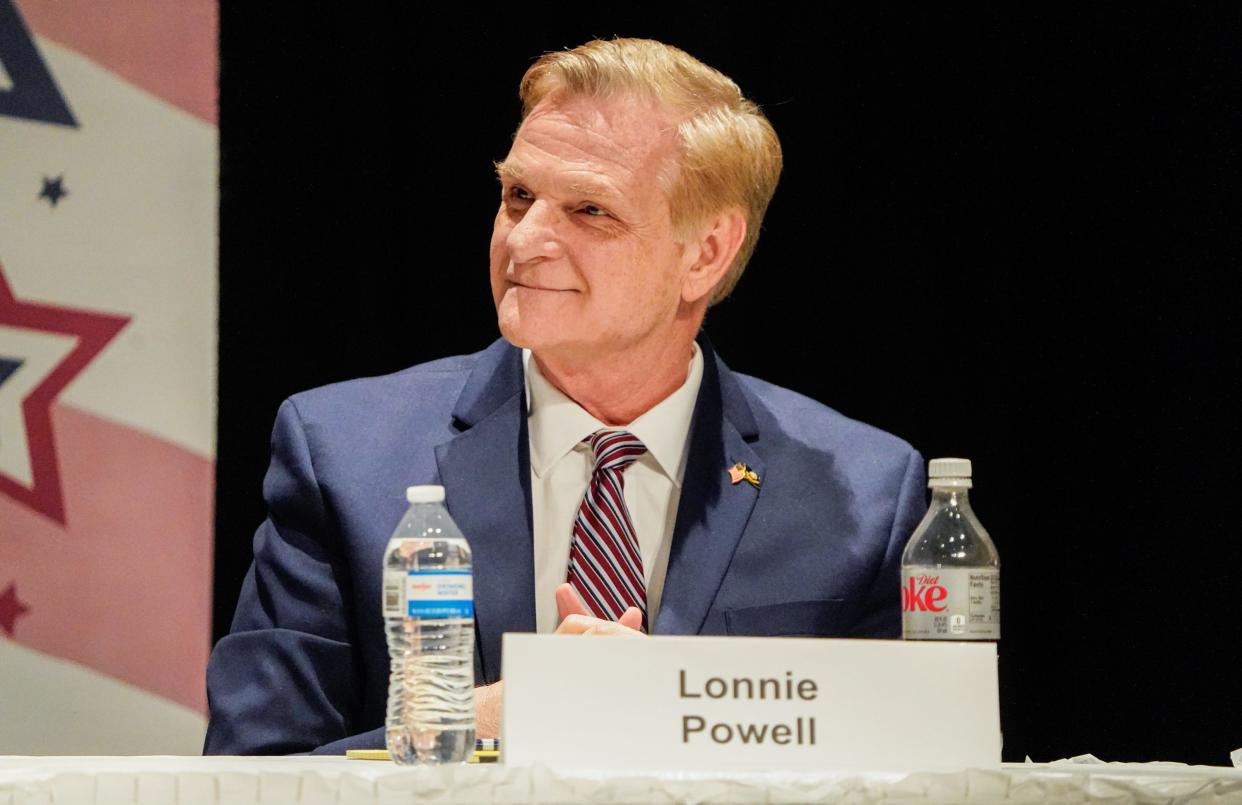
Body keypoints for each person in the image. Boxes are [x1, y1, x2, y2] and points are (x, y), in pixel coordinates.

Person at [204, 37, 925, 755]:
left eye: (588, 210)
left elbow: (916, 773)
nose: (525, 241)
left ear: (706, 252)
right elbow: (251, 774)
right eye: (518, 196)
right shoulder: (344, 456)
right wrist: (489, 718)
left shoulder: (863, 492)